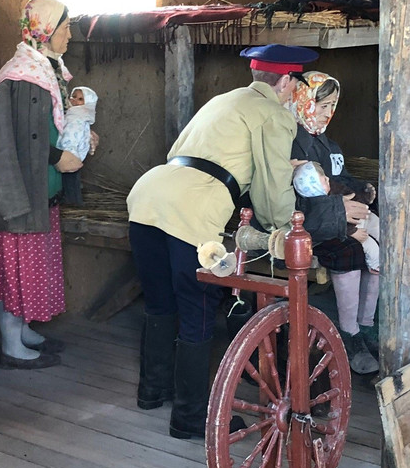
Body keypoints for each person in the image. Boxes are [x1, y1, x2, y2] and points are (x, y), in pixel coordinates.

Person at [127, 43, 318, 439]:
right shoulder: (274, 116)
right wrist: (285, 230)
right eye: (294, 84)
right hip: (190, 211)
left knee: (160, 303)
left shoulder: (224, 100)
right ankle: (190, 418)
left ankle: (152, 391)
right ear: (285, 81)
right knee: (197, 309)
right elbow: (271, 187)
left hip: (147, 198)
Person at [0, 0, 94, 369]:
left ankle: (23, 329)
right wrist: (55, 156)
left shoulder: (47, 70)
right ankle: (11, 343)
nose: (69, 34)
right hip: (21, 192)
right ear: (45, 31)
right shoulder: (20, 77)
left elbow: (50, 125)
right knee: (16, 270)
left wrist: (81, 138)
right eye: (64, 27)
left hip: (41, 189)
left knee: (30, 267)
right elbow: (17, 137)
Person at [289, 70, 378, 376]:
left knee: (379, 246)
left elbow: (338, 180)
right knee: (348, 250)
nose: (328, 112)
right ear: (303, 100)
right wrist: (340, 211)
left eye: (332, 106)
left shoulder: (330, 145)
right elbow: (295, 197)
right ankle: (350, 333)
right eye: (321, 104)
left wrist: (361, 188)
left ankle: (367, 326)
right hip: (309, 226)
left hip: (336, 217)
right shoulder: (291, 143)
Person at [293, 160, 380, 273]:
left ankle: (391, 247)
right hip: (352, 229)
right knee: (371, 246)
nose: (328, 179)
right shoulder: (315, 206)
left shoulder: (333, 187)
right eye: (324, 179)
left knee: (377, 224)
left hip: (362, 217)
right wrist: (353, 232)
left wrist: (364, 196)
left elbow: (349, 193)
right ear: (315, 187)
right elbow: (337, 222)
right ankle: (375, 265)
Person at [59, 86, 98, 205]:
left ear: (89, 104)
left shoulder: (77, 118)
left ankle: (75, 208)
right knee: (71, 183)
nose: (74, 100)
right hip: (70, 156)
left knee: (71, 185)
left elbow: (71, 136)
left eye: (80, 99)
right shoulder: (73, 115)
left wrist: (68, 155)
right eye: (74, 97)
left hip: (70, 156)